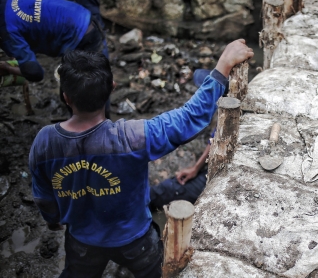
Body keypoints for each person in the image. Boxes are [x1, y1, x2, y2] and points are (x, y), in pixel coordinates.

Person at [28, 39, 254, 277]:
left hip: (82, 241)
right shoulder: (131, 138)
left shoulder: (44, 143)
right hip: (136, 239)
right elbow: (189, 117)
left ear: (66, 97)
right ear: (112, 88)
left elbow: (44, 197)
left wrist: (53, 220)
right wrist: (222, 68)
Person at [0, 0, 108, 83]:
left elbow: (35, 73)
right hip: (84, 17)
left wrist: (8, 68)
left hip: (80, 37)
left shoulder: (7, 29)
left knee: (83, 89)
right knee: (97, 80)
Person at [148, 69, 215, 209]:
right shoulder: (229, 113)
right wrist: (196, 168)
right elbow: (214, 140)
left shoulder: (231, 115)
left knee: (169, 189)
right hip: (212, 168)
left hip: (217, 178)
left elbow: (189, 121)